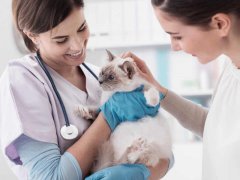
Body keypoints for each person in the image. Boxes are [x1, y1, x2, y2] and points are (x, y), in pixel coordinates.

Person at [0, 0, 172, 179]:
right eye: (61, 40)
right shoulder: (23, 79)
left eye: (81, 28)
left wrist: (141, 173)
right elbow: (50, 177)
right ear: (33, 36)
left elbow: (166, 157)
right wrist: (109, 116)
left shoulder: (98, 76)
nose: (77, 46)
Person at [122, 0, 240, 180]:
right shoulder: (231, 66)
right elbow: (215, 127)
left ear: (220, 24)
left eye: (177, 36)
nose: (174, 47)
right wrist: (156, 89)